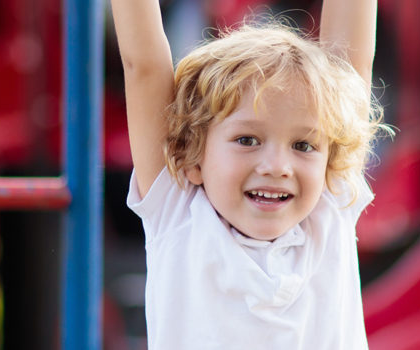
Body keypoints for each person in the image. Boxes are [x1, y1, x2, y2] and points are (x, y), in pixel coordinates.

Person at [109, 0, 387, 347]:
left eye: (302, 145)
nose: (277, 166)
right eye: (247, 140)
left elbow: (352, 64)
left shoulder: (329, 208)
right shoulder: (178, 214)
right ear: (193, 155)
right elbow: (144, 66)